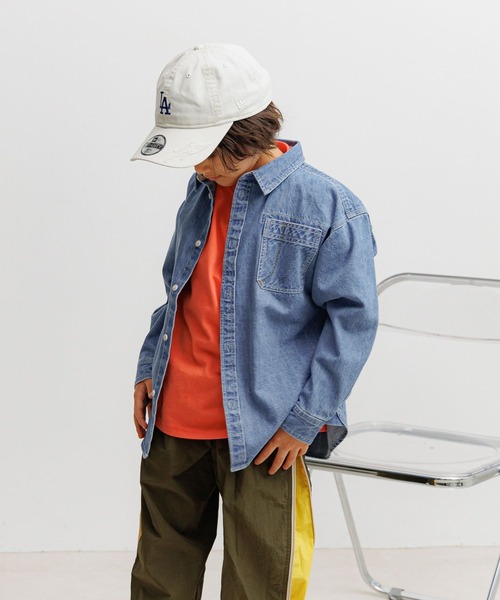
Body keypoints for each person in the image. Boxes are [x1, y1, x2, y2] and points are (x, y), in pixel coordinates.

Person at [130, 43, 378, 600]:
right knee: (158, 577)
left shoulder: (328, 206)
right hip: (174, 420)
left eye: (203, 151)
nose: (195, 166)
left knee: (259, 585)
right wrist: (149, 366)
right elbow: (176, 290)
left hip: (266, 435)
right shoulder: (200, 190)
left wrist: (306, 420)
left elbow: (353, 323)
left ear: (243, 135)